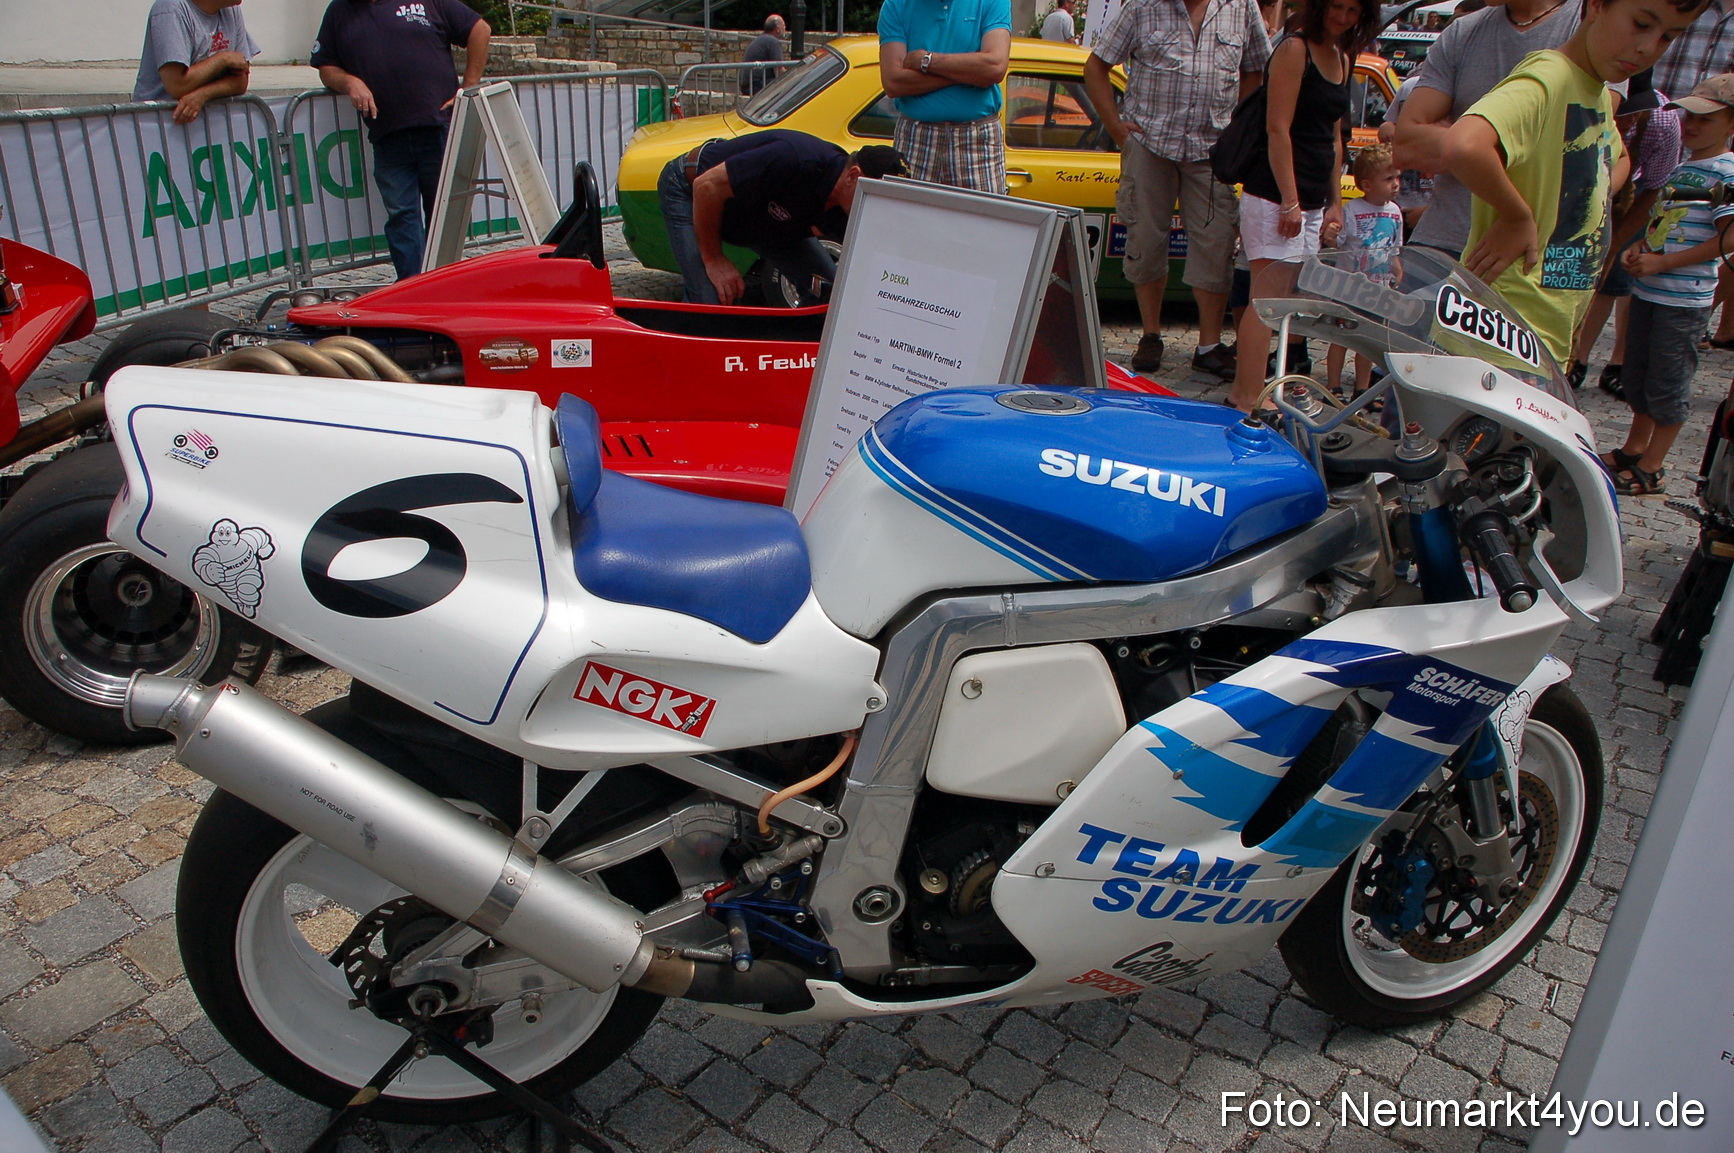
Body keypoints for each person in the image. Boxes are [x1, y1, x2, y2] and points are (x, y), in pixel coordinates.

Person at [1441, 0, 1709, 369]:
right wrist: (1518, 216)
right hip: (1498, 336)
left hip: (1545, 334)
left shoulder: (1595, 89)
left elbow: (1618, 159)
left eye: (1668, 37)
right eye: (1640, 23)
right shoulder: (1551, 77)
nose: (1648, 47)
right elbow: (1464, 145)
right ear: (1597, 5)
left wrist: (1577, 196)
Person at [1084, 0, 1271, 378]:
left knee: (1215, 242)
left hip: (1212, 149)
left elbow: (1256, 69)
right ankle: (1151, 334)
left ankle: (1208, 344)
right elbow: (1096, 66)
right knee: (1145, 240)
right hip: (1149, 142)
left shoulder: (1241, 6)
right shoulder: (1142, 6)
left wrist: (1239, 125)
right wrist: (1118, 129)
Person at [1227, 0, 1379, 412]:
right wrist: (1290, 201)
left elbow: (1334, 138)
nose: (1343, 17)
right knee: (1267, 295)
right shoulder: (1295, 49)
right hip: (1275, 193)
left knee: (1286, 297)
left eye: (1352, 10)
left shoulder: (1341, 56)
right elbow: (1278, 128)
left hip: (1312, 195)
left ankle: (1264, 387)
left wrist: (1334, 200)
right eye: (1337, 7)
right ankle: (1246, 394)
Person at [1601, 75, 1734, 495]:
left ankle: (1654, 465)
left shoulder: (1726, 172)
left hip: (1684, 299)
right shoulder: (1683, 167)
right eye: (1688, 115)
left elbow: (1727, 239)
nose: (1691, 125)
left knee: (1668, 381)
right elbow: (1662, 224)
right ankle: (1634, 446)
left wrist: (1666, 263)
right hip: (1650, 291)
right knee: (1637, 375)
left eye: (1705, 119)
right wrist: (1639, 248)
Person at [311, 0, 491, 280]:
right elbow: (326, 66)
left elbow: (479, 29)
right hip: (387, 134)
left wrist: (469, 86)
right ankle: (412, 289)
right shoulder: (339, 11)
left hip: (438, 127)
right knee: (402, 218)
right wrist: (350, 82)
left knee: (444, 216)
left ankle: (446, 286)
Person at [1394, 0, 1585, 260]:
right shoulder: (1462, 31)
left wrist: (1466, 141)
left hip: (1533, 256)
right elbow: (1406, 146)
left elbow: (1584, 147)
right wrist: (1524, 142)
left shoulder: (1589, 22)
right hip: (1440, 245)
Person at [658, 129, 907, 305]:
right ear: (853, 176)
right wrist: (713, 259)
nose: (880, 210)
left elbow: (878, 265)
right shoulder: (796, 158)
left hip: (766, 218)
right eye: (877, 197)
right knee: (710, 299)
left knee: (830, 297)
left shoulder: (847, 205)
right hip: (692, 190)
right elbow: (706, 186)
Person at [1566, 68, 1681, 393]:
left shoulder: (1661, 122)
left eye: (1637, 111)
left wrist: (1615, 243)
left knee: (1615, 278)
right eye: (1624, 113)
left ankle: (1597, 358)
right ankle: (1571, 356)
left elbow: (1654, 189)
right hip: (1585, 190)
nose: (1630, 120)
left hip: (1633, 196)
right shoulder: (1583, 112)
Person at [878, 0, 1012, 194]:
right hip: (916, 136)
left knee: (981, 222)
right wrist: (968, 73)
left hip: (977, 138)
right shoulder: (896, 5)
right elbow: (893, 82)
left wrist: (927, 61)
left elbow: (994, 67)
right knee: (910, 221)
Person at [1325, 144, 1406, 398]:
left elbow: (1394, 247)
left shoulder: (1395, 212)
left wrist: (1397, 269)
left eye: (1397, 177)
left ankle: (1362, 388)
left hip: (1377, 289)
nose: (1395, 184)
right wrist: (1331, 235)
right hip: (1350, 288)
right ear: (1368, 184)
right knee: (1341, 337)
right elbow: (1339, 244)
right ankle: (1333, 385)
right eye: (1388, 178)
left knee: (1367, 341)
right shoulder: (1353, 210)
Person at [132, 0, 257, 125]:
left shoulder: (231, 9)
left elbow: (241, 80)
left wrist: (203, 95)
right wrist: (222, 60)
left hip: (202, 127)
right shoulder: (170, 9)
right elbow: (176, 86)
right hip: (156, 126)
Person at [741, 15, 786, 96]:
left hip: (748, 85)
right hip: (757, 85)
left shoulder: (761, 39)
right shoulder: (773, 42)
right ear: (777, 29)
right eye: (783, 26)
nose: (785, 28)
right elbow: (779, 69)